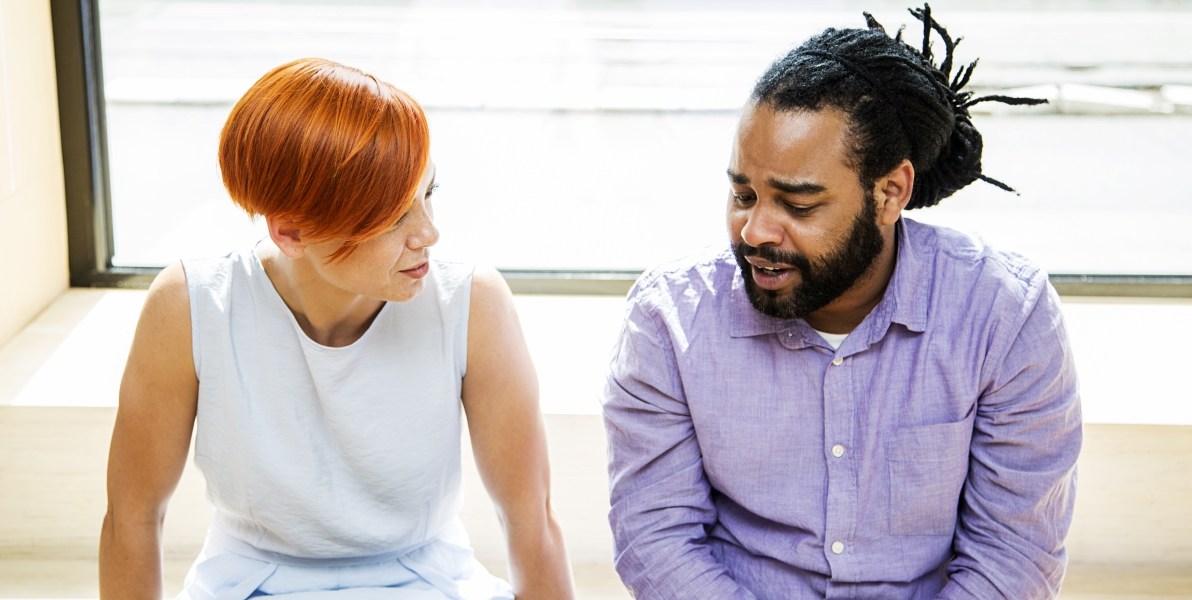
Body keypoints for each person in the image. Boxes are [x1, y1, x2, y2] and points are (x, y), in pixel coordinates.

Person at [602, 6, 1082, 599]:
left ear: (890, 192)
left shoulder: (1005, 315)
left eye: (798, 205)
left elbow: (1013, 554)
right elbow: (655, 539)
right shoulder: (668, 320)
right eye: (742, 194)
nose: (755, 231)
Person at [99, 58, 575, 600]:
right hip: (249, 582)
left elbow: (530, 517)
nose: (429, 232)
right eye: (394, 215)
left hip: (429, 580)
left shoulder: (472, 302)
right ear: (292, 231)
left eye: (429, 193)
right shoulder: (192, 303)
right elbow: (132, 516)